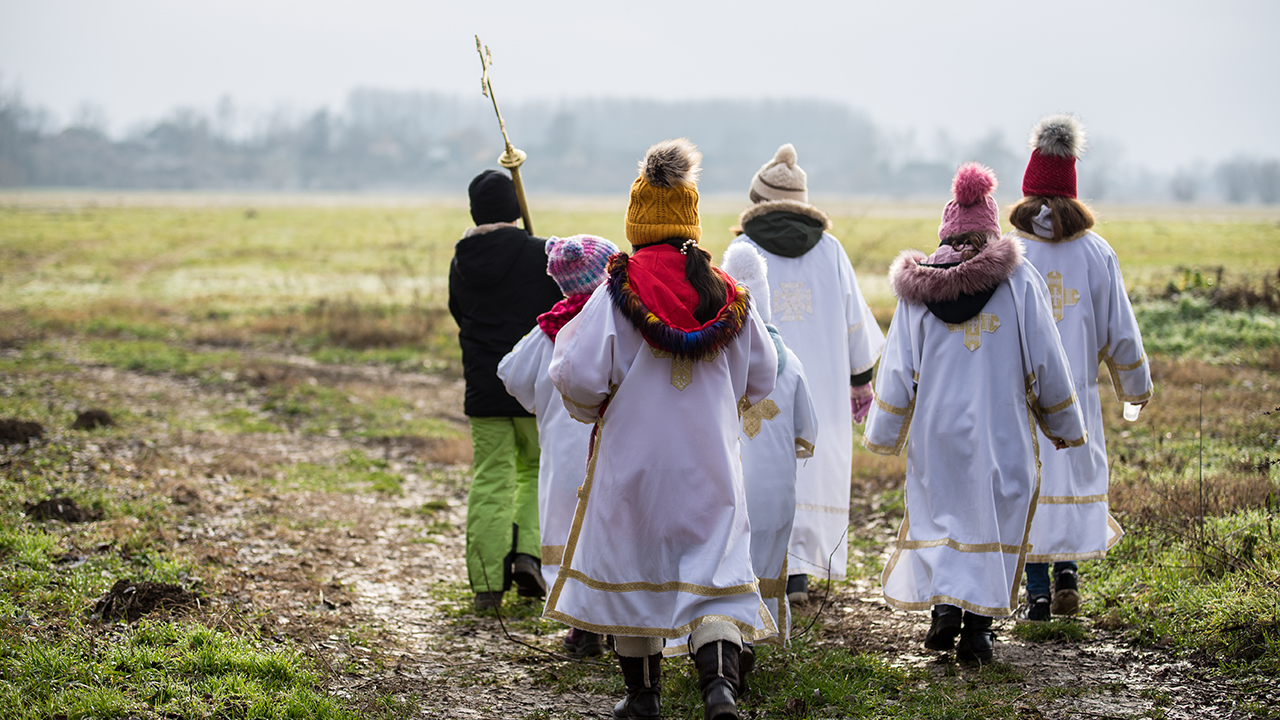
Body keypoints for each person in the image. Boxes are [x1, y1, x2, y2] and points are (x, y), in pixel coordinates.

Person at [547, 139, 778, 720]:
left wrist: (592, 403)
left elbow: (577, 376)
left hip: (635, 462)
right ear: (691, 221)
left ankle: (643, 696)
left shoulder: (616, 290)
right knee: (718, 569)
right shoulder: (726, 291)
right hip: (711, 463)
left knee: (634, 565)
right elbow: (764, 374)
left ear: (636, 221)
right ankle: (719, 687)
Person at [862, 163, 1087, 663]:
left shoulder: (917, 290)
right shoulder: (1017, 280)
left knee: (942, 513)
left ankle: (944, 610)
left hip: (936, 430)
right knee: (991, 518)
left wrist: (884, 430)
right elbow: (1046, 355)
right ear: (990, 231)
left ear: (945, 232)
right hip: (999, 426)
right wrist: (1063, 423)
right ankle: (979, 631)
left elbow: (899, 366)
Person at [1009, 115, 1154, 620]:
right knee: (1068, 479)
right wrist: (1135, 386)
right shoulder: (1097, 252)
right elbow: (1121, 328)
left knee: (1030, 483)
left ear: (1028, 192)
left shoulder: (1011, 252)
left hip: (1021, 397)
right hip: (1079, 394)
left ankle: (1038, 593)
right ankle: (1068, 573)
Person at [727, 143, 885, 602]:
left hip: (760, 386)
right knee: (812, 468)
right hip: (823, 386)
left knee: (761, 470)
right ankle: (799, 574)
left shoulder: (741, 249)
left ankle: (764, 566)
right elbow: (857, 321)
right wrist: (860, 381)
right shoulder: (830, 250)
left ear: (757, 202)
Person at [497, 233, 619, 657]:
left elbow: (511, 373)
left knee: (567, 534)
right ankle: (622, 625)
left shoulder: (550, 328)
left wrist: (542, 402)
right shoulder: (622, 322)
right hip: (613, 449)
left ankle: (578, 627)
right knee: (612, 532)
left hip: (564, 454)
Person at [448, 169, 564, 611]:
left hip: (483, 389)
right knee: (536, 470)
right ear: (517, 209)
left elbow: (459, 313)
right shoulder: (540, 255)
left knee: (490, 477)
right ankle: (530, 556)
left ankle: (485, 584)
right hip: (533, 387)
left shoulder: (461, 261)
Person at [720, 241, 819, 645]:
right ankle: (767, 635)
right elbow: (806, 429)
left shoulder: (713, 358)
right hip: (775, 488)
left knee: (725, 560)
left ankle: (724, 638)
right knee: (768, 556)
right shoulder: (790, 362)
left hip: (725, 483)